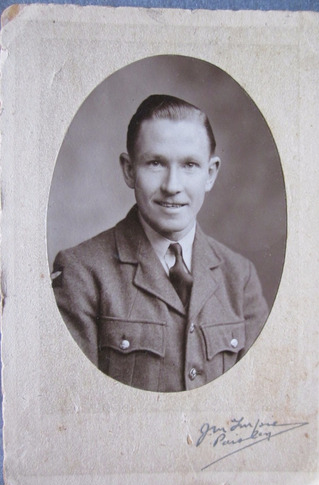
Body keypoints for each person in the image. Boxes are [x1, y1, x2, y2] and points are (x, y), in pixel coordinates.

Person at [52, 94, 268, 392]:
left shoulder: (240, 277)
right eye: (155, 163)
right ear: (129, 170)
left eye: (190, 164)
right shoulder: (83, 274)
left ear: (210, 173)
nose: (172, 186)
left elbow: (258, 395)